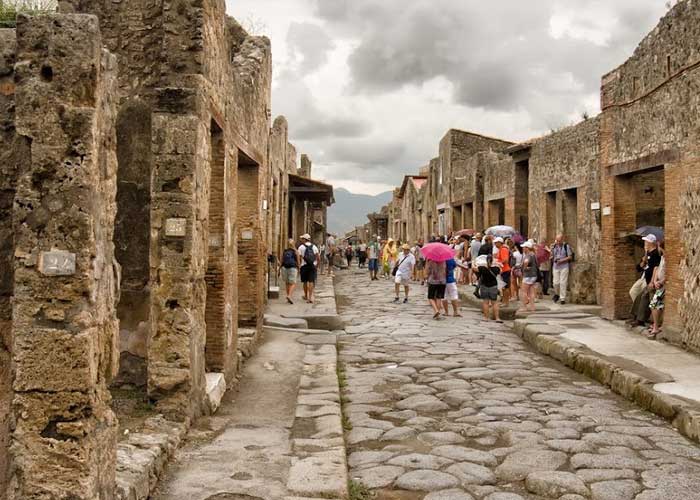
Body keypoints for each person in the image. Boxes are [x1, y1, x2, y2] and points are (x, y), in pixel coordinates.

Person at [628, 234, 661, 327]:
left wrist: (652, 281)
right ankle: (638, 315)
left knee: (643, 297)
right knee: (635, 293)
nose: (645, 243)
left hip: (650, 280)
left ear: (651, 243)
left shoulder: (655, 254)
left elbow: (655, 268)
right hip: (644, 278)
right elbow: (639, 268)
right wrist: (644, 259)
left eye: (646, 241)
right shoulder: (647, 254)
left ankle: (640, 318)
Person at [475, 254, 502, 322]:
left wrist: (473, 263)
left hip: (484, 286)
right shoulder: (496, 268)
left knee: (485, 302)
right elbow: (500, 271)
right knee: (494, 303)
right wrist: (496, 264)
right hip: (493, 286)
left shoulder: (482, 268)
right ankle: (497, 318)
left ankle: (486, 317)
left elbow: (474, 269)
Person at [648, 241, 666, 338]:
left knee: (653, 305)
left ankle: (656, 327)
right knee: (655, 306)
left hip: (662, 286)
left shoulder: (667, 258)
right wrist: (655, 280)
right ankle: (656, 325)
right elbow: (658, 269)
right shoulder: (663, 257)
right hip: (659, 284)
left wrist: (661, 282)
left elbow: (669, 272)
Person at [551, 234, 573, 305]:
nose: (557, 242)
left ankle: (562, 298)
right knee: (555, 283)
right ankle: (557, 294)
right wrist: (552, 257)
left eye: (559, 241)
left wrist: (562, 260)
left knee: (563, 283)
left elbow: (570, 257)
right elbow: (552, 255)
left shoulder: (566, 246)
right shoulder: (554, 246)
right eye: (557, 240)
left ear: (562, 240)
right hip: (556, 266)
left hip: (564, 266)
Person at [298, 234, 319, 303]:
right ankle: (310, 297)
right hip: (312, 266)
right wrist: (316, 265)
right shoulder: (314, 247)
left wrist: (299, 266)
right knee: (311, 281)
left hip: (304, 266)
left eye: (302, 239)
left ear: (304, 239)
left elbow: (299, 258)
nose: (301, 240)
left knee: (305, 281)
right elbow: (318, 257)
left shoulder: (301, 247)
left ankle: (305, 295)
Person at [518, 241, 539, 313]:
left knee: (523, 291)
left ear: (527, 248)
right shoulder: (533, 254)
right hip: (534, 275)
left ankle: (524, 307)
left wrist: (524, 268)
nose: (523, 249)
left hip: (528, 275)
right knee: (532, 292)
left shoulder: (528, 255)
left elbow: (526, 262)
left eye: (524, 247)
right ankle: (532, 307)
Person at [279, 239, 299, 304]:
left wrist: (279, 269)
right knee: (293, 283)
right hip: (293, 268)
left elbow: (281, 260)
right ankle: (289, 295)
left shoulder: (284, 251)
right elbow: (298, 261)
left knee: (287, 283)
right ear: (293, 244)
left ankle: (288, 296)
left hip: (284, 268)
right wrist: (299, 268)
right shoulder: (295, 251)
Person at [494, 237, 512, 305]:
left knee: (506, 287)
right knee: (503, 287)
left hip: (505, 270)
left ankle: (506, 302)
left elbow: (505, 260)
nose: (495, 244)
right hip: (502, 270)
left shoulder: (503, 249)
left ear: (499, 243)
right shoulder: (500, 249)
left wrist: (498, 263)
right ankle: (504, 301)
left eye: (496, 243)